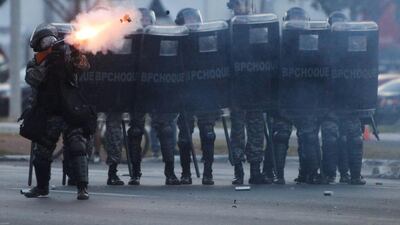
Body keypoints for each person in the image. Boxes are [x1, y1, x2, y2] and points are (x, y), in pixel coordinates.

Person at [22, 23, 95, 200]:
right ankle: (41, 188)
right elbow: (33, 79)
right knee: (42, 151)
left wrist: (76, 52)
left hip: (70, 111)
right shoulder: (35, 62)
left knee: (77, 145)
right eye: (46, 41)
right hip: (49, 113)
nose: (49, 43)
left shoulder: (66, 58)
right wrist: (48, 62)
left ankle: (82, 188)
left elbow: (83, 67)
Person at [127, 8, 181, 186]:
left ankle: (170, 172)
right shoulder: (129, 39)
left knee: (165, 129)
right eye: (140, 19)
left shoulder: (160, 38)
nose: (143, 23)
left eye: (146, 20)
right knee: (135, 131)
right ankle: (135, 173)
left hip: (157, 89)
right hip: (136, 91)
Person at [174, 8, 218, 185]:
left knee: (208, 134)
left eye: (194, 18)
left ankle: (208, 172)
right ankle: (186, 173)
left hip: (205, 93)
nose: (192, 22)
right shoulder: (175, 40)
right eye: (188, 19)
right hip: (184, 94)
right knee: (184, 137)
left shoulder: (208, 39)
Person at [227, 0, 269, 185]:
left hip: (256, 89)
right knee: (237, 132)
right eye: (238, 5)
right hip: (236, 90)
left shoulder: (259, 28)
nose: (243, 9)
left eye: (246, 5)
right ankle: (238, 171)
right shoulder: (227, 29)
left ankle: (255, 171)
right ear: (233, 7)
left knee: (256, 131)